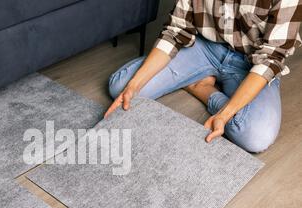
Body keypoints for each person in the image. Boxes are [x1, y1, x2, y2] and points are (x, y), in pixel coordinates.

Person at [105, 0, 301, 153]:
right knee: (121, 87)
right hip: (204, 49)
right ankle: (200, 76)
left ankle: (203, 88)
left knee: (256, 136)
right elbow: (175, 31)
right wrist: (135, 85)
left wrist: (224, 114)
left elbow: (270, 58)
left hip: (251, 64)